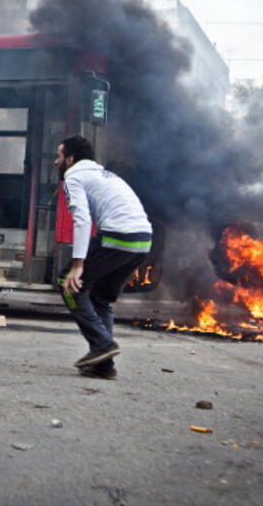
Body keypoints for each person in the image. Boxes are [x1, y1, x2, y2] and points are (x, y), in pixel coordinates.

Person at [54, 135, 152, 380]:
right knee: (101, 298)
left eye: (59, 156)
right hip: (143, 241)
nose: (56, 162)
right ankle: (103, 366)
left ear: (70, 159)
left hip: (118, 238)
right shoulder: (106, 175)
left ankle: (102, 345)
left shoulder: (74, 176)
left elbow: (82, 219)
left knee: (68, 284)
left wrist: (77, 265)